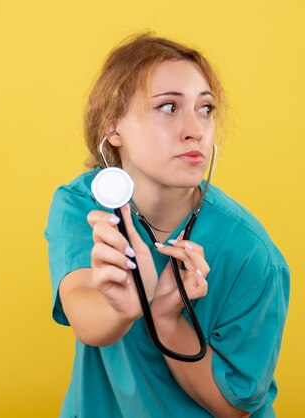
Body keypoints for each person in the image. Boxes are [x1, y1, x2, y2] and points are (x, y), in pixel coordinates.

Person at [44, 33, 290, 418]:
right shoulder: (83, 204)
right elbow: (86, 319)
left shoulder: (250, 254)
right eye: (168, 107)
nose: (195, 129)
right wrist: (123, 308)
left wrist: (165, 318)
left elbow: (233, 408)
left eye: (205, 108)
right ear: (113, 127)